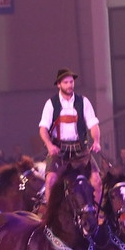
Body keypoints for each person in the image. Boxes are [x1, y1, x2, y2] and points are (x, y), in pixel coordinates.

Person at [38, 68, 102, 202]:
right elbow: (43, 129)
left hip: (80, 150)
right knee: (50, 180)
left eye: (71, 82)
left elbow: (93, 124)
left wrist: (96, 141)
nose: (69, 85)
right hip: (58, 151)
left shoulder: (83, 101)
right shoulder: (51, 104)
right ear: (59, 85)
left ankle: (96, 215)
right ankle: (51, 216)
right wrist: (49, 146)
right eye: (66, 82)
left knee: (96, 180)